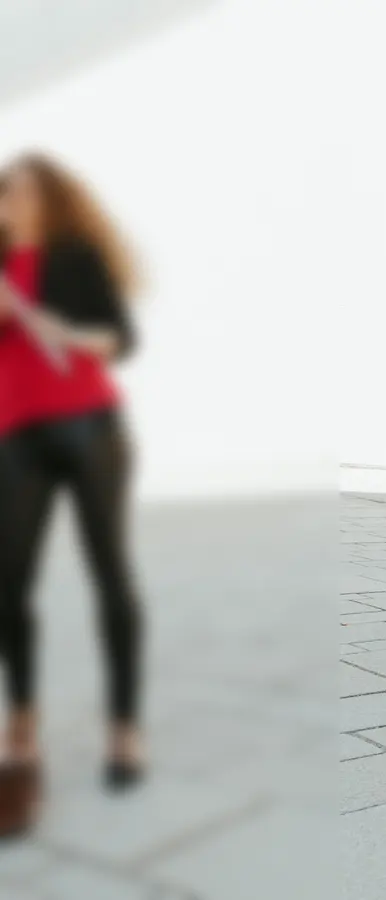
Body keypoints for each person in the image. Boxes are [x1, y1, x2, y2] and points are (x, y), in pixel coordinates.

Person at [0, 152, 145, 837]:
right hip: (17, 437)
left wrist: (30, 316)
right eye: (7, 193)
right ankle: (22, 734)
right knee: (9, 582)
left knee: (108, 573)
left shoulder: (75, 260)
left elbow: (114, 341)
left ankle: (123, 726)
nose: (14, 203)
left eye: (25, 193)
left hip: (89, 429)